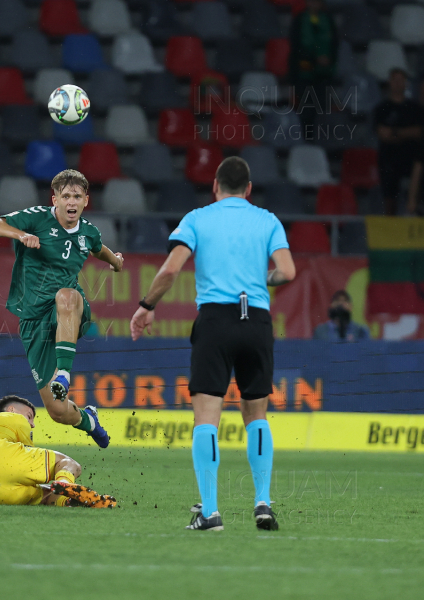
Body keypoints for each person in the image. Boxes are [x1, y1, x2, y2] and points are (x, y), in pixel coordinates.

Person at [129, 157, 296, 532]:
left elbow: (171, 269)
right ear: (249, 189)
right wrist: (260, 278)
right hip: (256, 320)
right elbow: (287, 271)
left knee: (207, 418)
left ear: (216, 187)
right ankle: (263, 502)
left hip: (216, 320)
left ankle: (211, 512)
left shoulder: (197, 218)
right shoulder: (267, 220)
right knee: (256, 415)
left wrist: (146, 306)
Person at [0, 169, 124, 449]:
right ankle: (89, 419)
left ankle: (64, 374)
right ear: (54, 199)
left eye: (77, 196)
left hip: (69, 312)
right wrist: (20, 235)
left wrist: (116, 262)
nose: (72, 201)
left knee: (66, 296)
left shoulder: (89, 232)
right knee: (57, 411)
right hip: (34, 322)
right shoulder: (37, 218)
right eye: (66, 196)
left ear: (85, 201)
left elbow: (98, 248)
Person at [373, 68, 424, 216]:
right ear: (389, 83)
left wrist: (395, 132)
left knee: (418, 195)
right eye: (394, 80)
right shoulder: (382, 109)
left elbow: (419, 132)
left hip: (411, 159)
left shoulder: (415, 109)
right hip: (389, 159)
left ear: (406, 83)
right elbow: (383, 134)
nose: (397, 83)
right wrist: (407, 133)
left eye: (400, 80)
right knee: (390, 199)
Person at [288, 0, 338, 130]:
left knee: (322, 110)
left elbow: (334, 45)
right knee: (306, 110)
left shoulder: (328, 19)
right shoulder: (299, 20)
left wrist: (328, 60)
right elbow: (296, 47)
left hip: (324, 74)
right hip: (303, 74)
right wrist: (315, 59)